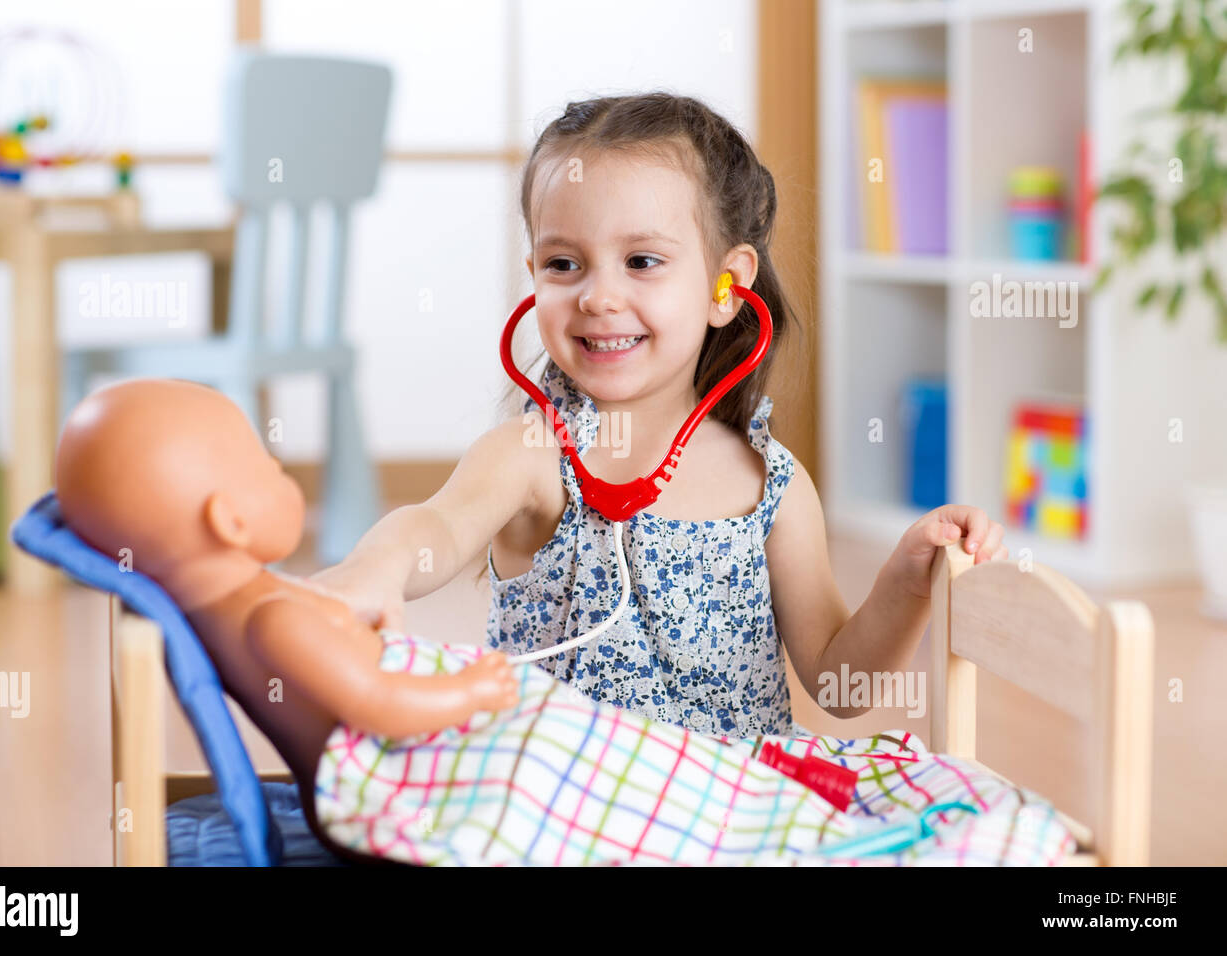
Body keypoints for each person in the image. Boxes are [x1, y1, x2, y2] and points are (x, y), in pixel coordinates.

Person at [314, 93, 1009, 738]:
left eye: (641, 260)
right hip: (562, 812)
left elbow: (838, 681)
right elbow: (435, 526)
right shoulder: (530, 455)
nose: (598, 296)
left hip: (723, 822)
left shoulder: (771, 485)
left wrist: (905, 581)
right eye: (564, 264)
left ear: (725, 286)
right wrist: (374, 568)